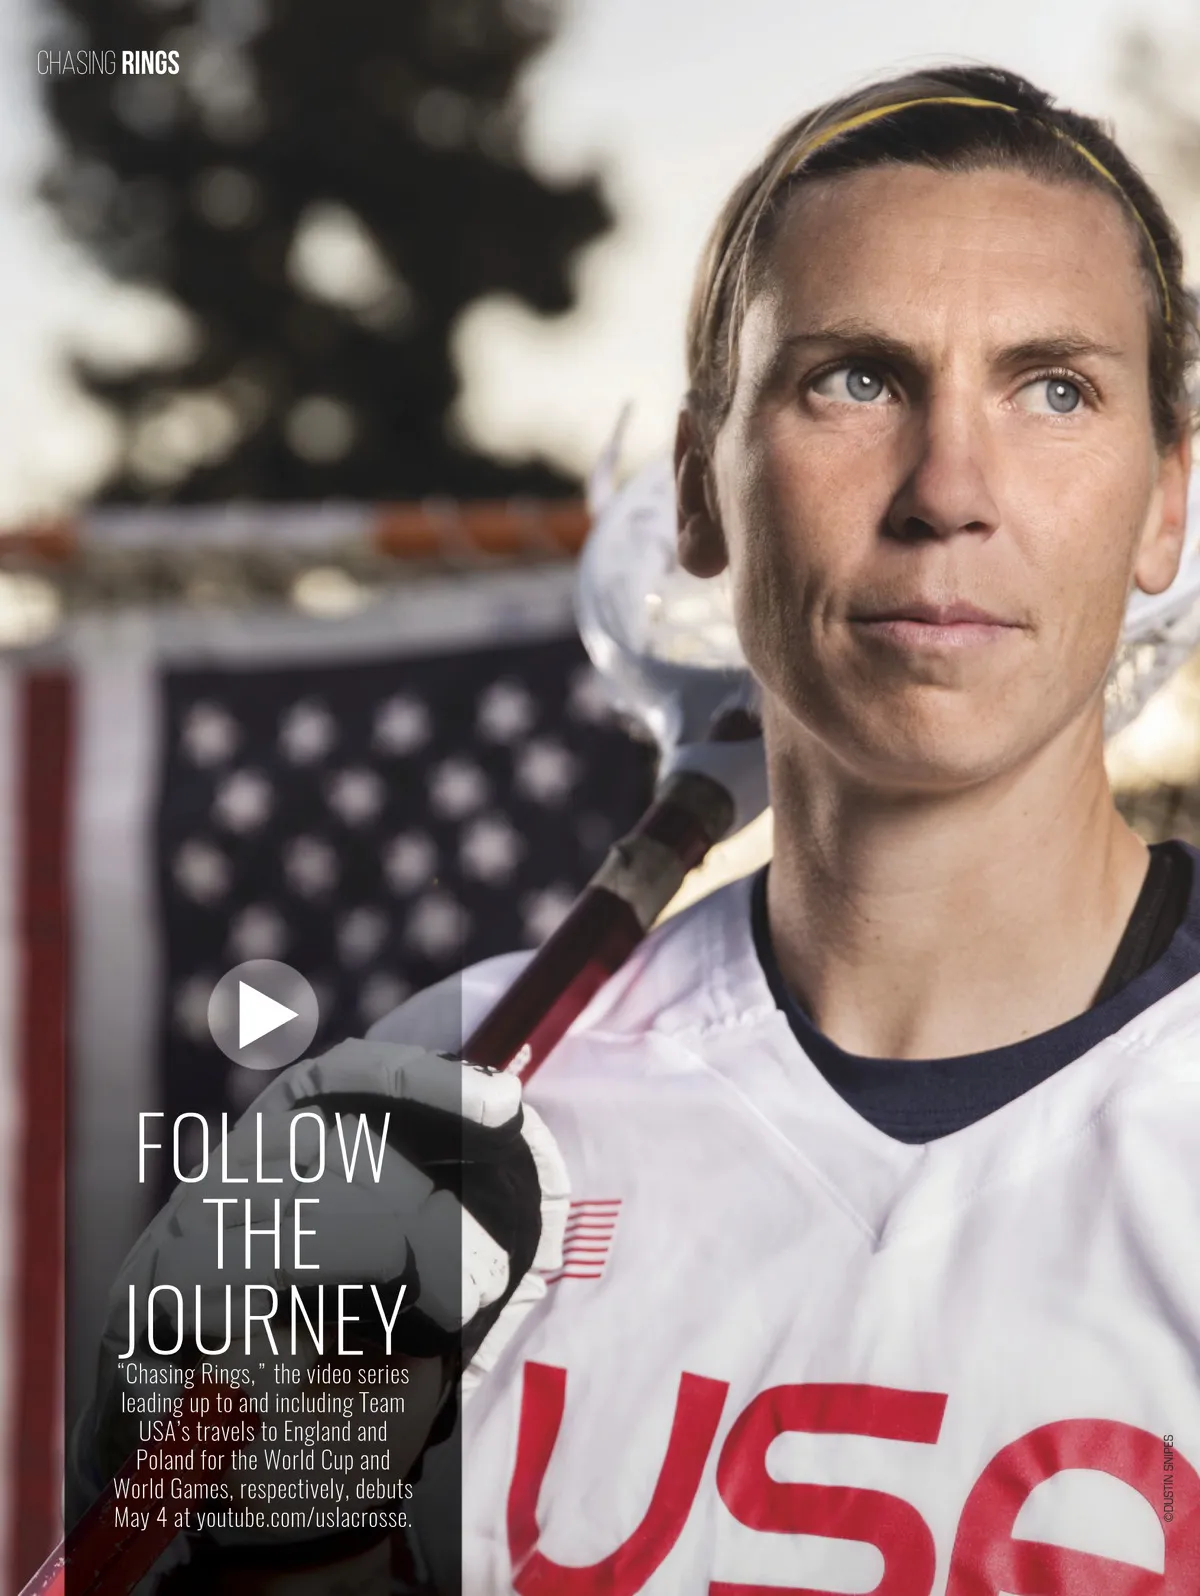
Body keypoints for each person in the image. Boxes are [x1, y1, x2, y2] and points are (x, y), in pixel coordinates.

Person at [77, 60, 1199, 1593]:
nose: (949, 490)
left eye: (1054, 389)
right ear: (698, 490)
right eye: (855, 380)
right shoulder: (448, 1102)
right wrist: (248, 1547)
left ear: (1166, 502)